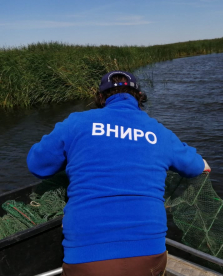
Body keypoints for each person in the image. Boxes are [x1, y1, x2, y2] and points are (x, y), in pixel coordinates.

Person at [27, 71, 210, 276]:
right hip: (148, 256)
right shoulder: (158, 131)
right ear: (138, 95)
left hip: (87, 260)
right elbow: (195, 167)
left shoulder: (76, 122)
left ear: (101, 97)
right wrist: (202, 163)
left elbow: (36, 164)